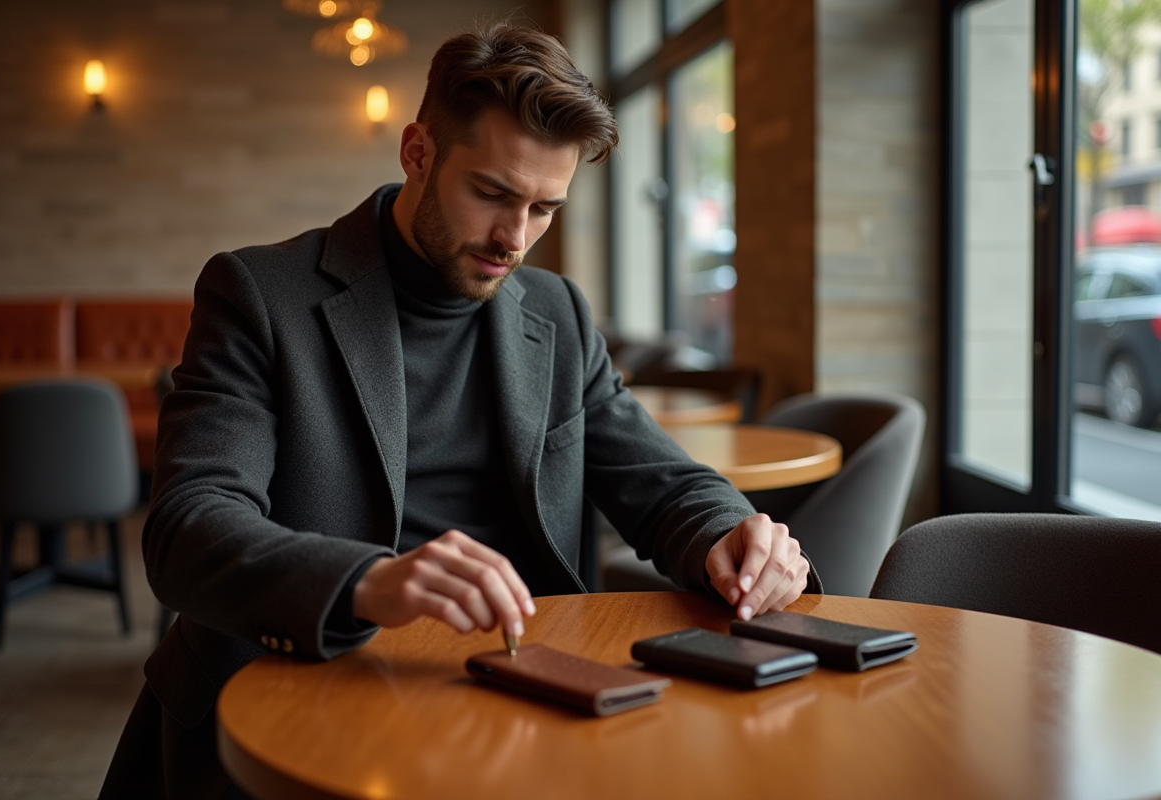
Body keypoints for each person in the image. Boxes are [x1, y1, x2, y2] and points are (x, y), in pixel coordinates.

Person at [99, 21, 818, 799]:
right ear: (417, 153)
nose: (514, 238)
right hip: (303, 689)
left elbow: (663, 482)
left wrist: (730, 534)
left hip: (522, 693)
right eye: (493, 194)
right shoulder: (259, 295)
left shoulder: (557, 311)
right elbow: (188, 527)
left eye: (544, 208)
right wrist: (369, 582)